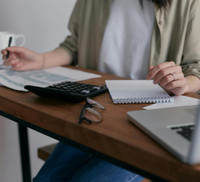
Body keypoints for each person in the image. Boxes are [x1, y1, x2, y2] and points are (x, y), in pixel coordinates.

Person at [1, 0, 200, 181]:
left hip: (150, 121)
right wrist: (41, 60)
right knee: (45, 179)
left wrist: (183, 83)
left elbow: (196, 69)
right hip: (96, 114)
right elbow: (74, 46)